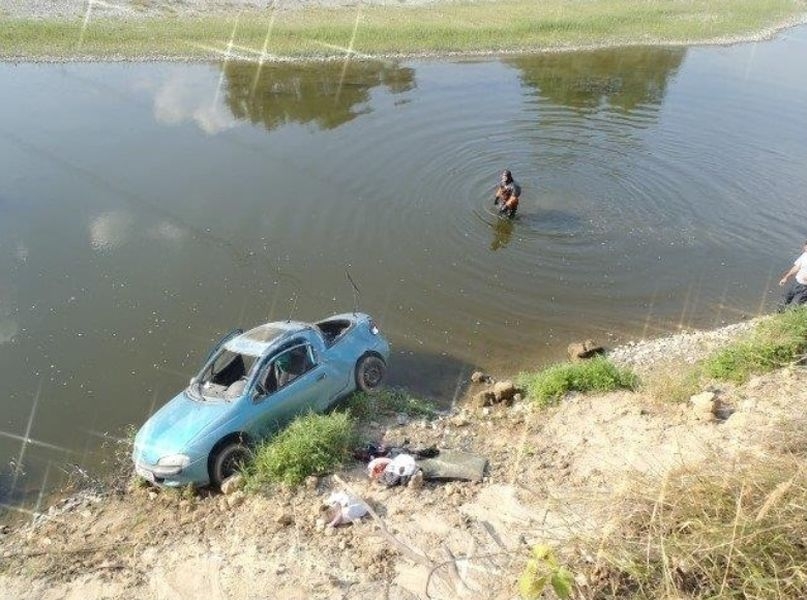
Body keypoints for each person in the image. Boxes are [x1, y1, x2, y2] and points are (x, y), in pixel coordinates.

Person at [778, 240, 807, 309]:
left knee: (795, 307)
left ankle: (790, 318)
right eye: (806, 246)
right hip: (796, 283)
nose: (806, 248)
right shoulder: (804, 255)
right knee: (784, 300)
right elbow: (796, 267)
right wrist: (785, 278)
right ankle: (778, 315)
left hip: (805, 288)